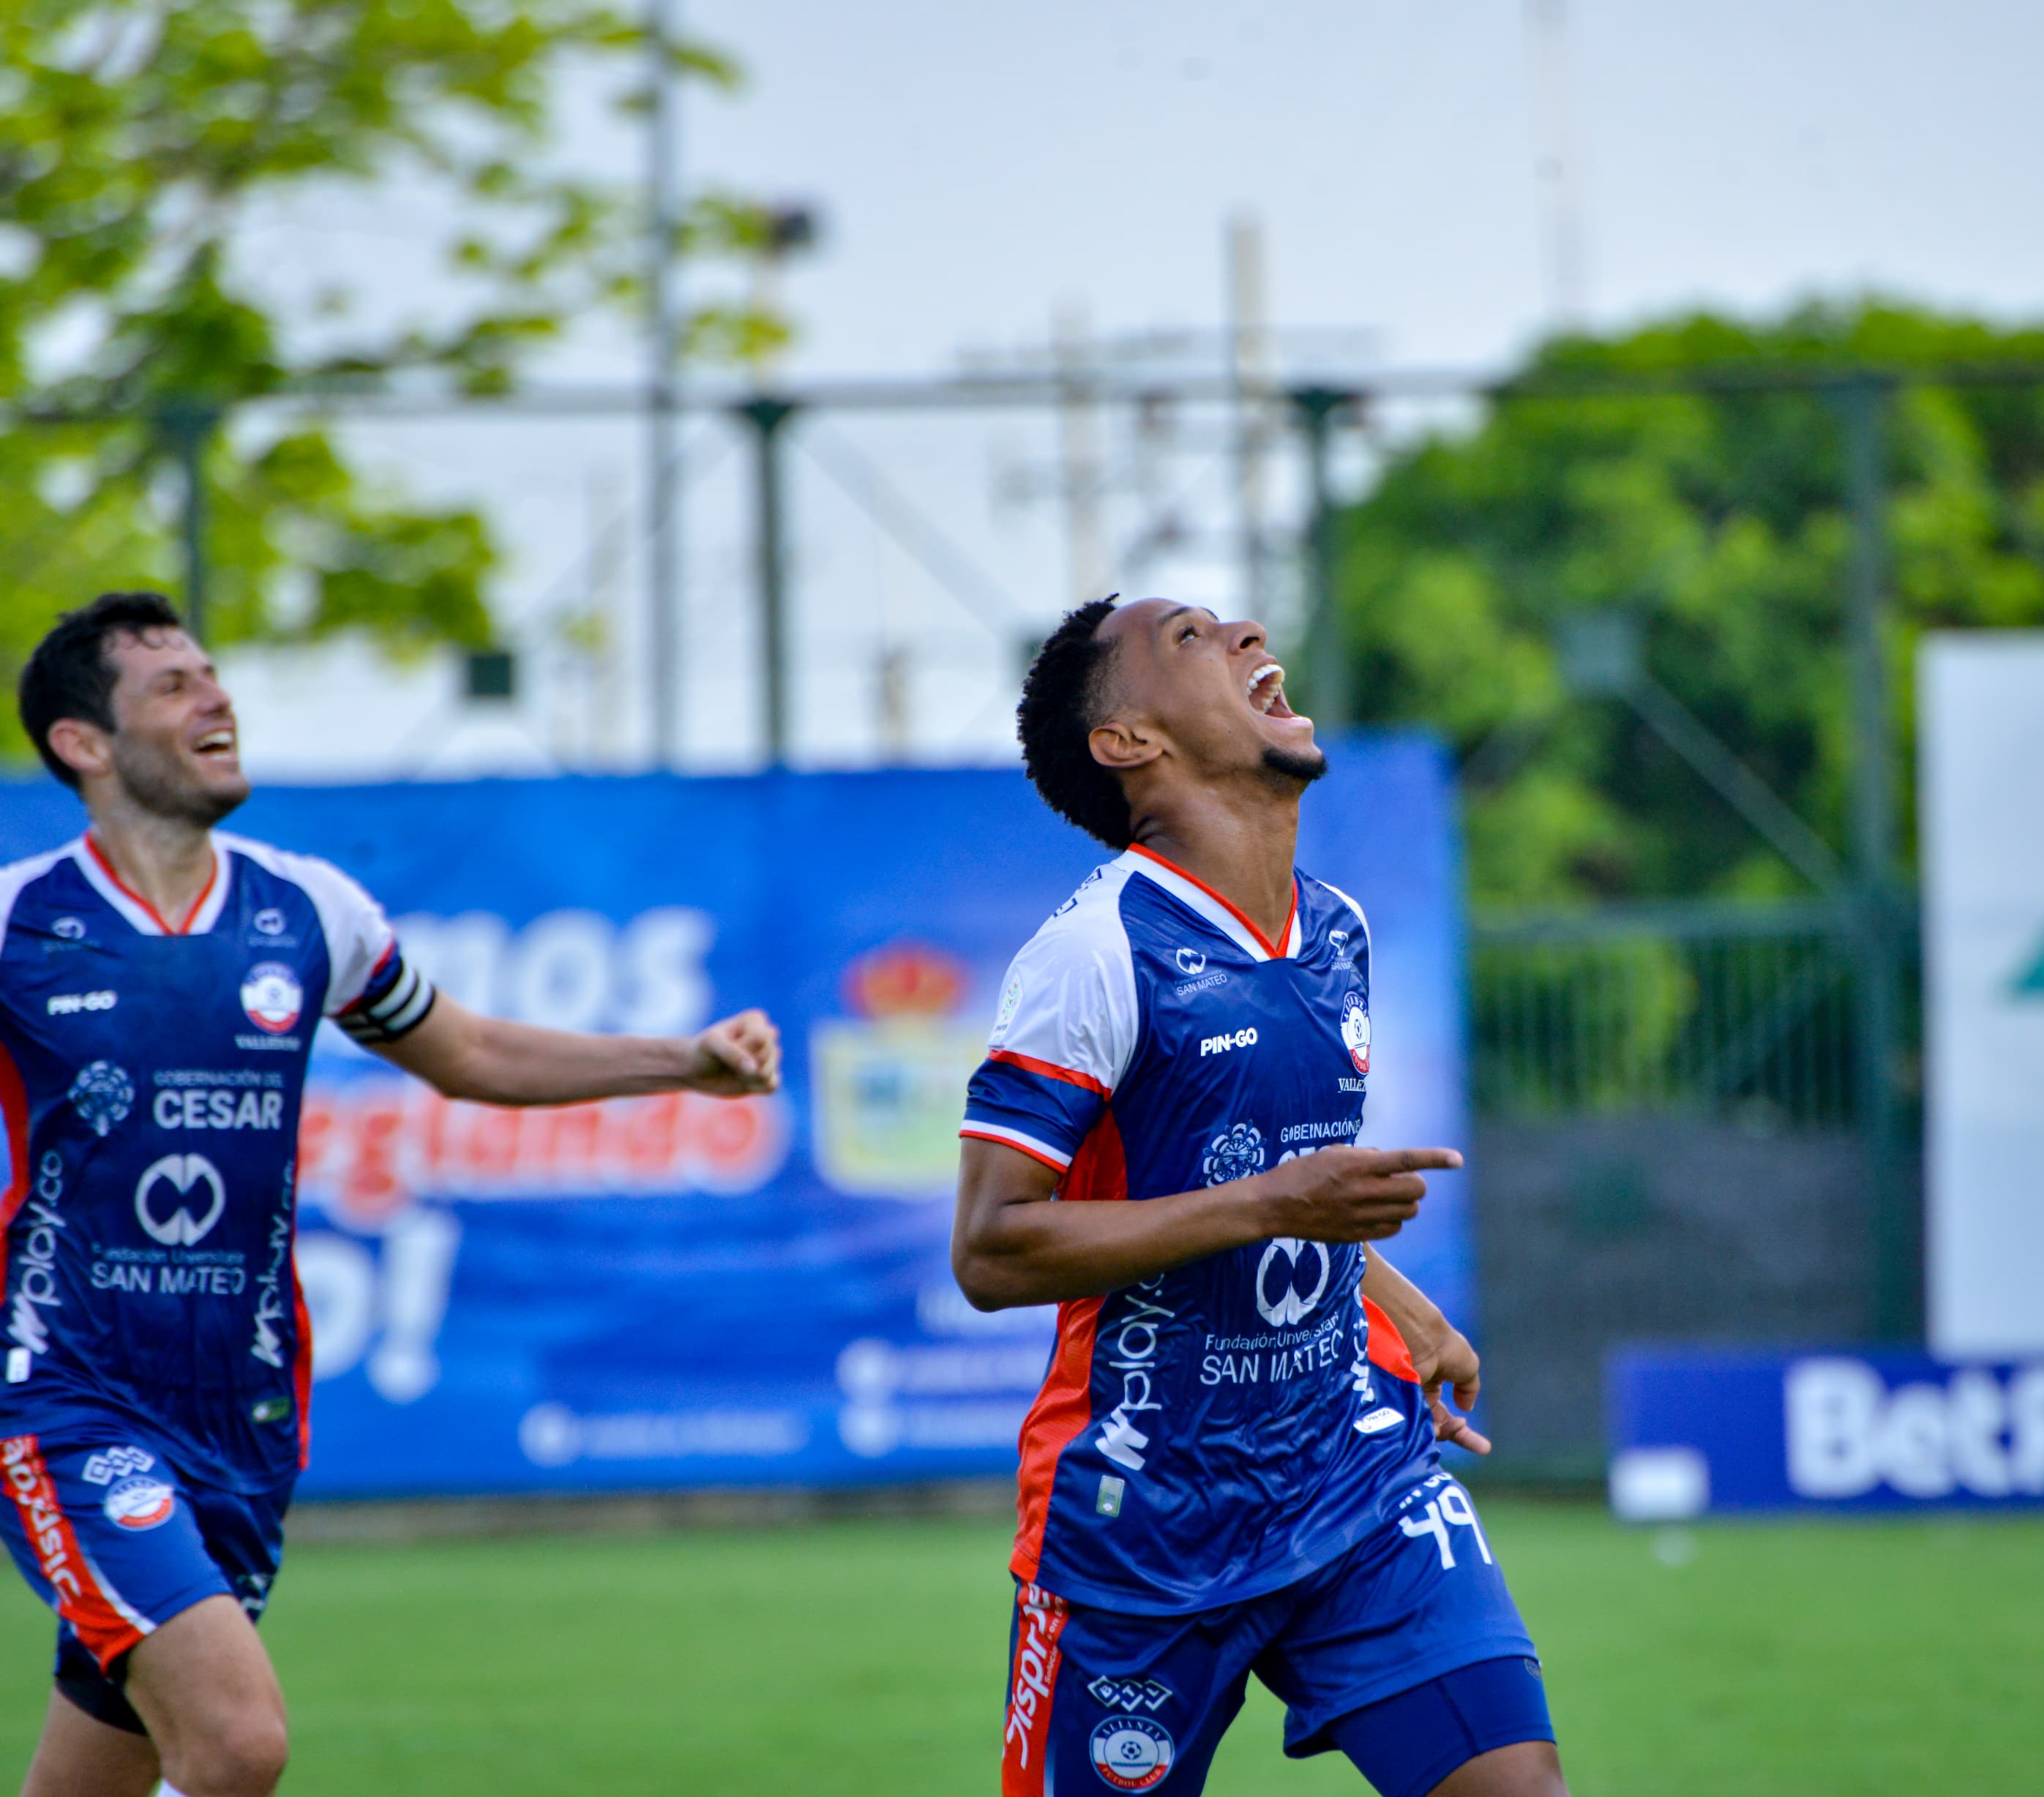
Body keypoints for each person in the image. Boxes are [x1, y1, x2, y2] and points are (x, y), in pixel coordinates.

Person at [0, 593, 782, 1797]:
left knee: (119, 1767)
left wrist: (683, 1060)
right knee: (237, 1743)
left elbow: (469, 1052)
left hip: (243, 1410)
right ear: (82, 744)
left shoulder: (309, 909)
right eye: (172, 684)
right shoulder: (20, 920)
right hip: (66, 1396)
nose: (216, 696)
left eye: (214, 674)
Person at [954, 598, 1565, 1797]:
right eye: (1188, 638)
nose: (1241, 629)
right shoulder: (1093, 954)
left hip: (1356, 1476)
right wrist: (1278, 1206)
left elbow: (1270, 1186)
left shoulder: (1336, 929)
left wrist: (1400, 1307)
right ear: (1129, 741)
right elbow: (991, 1250)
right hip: (1142, 1526)